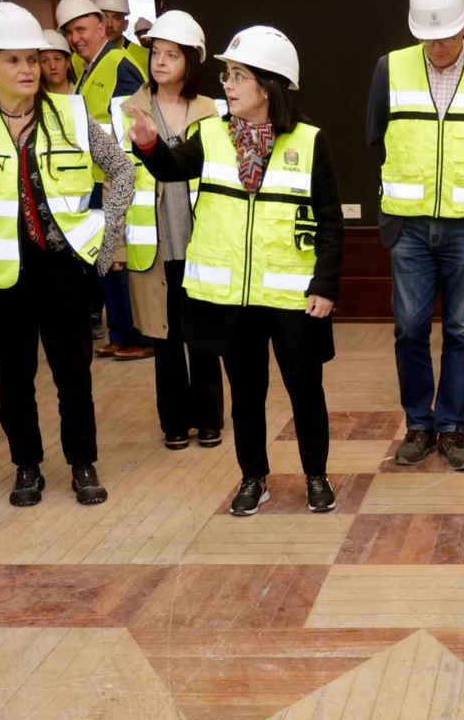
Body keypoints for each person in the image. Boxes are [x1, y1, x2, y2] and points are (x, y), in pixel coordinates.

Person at [0, 2, 133, 507]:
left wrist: (107, 231)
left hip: (62, 266)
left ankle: (83, 463)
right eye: (13, 60)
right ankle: (27, 467)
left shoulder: (72, 113)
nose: (27, 70)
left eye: (32, 60)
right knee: (14, 378)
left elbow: (120, 170)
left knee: (73, 374)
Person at [126, 26, 344, 516]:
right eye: (227, 74)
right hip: (232, 300)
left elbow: (330, 219)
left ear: (266, 86)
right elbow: (171, 167)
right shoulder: (212, 135)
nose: (227, 83)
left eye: (238, 76)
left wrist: (326, 285)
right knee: (246, 396)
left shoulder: (310, 143)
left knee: (306, 392)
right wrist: (148, 144)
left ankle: (316, 476)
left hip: (294, 298)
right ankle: (253, 478)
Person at [368, 0, 464, 471]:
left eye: (446, 33)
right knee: (409, 329)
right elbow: (374, 137)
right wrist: (389, 215)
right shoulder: (390, 68)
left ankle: (452, 427)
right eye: (428, 36)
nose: (438, 45)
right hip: (409, 227)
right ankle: (418, 424)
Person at [114, 9, 225, 451]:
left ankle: (211, 417)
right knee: (164, 335)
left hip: (200, 238)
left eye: (171, 55)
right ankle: (174, 421)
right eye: (156, 53)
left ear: (191, 61)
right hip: (151, 239)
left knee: (202, 332)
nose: (160, 62)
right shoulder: (129, 109)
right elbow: (117, 176)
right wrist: (117, 239)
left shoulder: (210, 109)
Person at [58, 0, 151, 361]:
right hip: (93, 183)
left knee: (120, 260)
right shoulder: (88, 70)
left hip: (115, 183)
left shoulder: (119, 66)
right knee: (105, 260)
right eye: (69, 32)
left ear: (101, 27)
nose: (75, 38)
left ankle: (138, 335)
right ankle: (121, 334)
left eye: (81, 29)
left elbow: (130, 128)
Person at [93, 0, 148, 75]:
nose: (109, 24)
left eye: (116, 18)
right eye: (104, 17)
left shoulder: (145, 57)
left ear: (125, 24)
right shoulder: (78, 58)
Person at [39, 28, 75, 93]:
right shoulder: (33, 101)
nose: (53, 66)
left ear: (67, 63)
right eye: (45, 61)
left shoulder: (83, 92)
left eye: (57, 59)